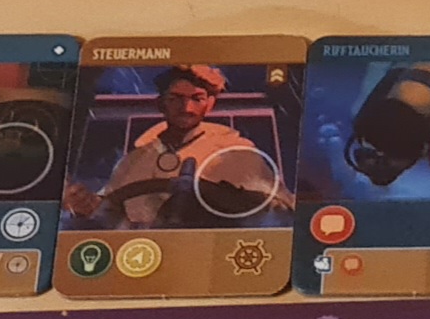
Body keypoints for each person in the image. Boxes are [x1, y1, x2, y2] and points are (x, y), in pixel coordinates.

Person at [65, 64, 288, 229]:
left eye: (197, 98)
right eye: (176, 98)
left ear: (209, 104)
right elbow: (109, 214)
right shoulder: (133, 161)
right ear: (161, 103)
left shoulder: (236, 153)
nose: (187, 108)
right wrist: (86, 205)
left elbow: (277, 213)